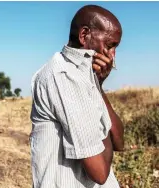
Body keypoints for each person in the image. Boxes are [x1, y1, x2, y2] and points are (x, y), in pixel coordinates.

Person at [30, 5, 124, 188]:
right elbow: (100, 172)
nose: (112, 55)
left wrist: (98, 86)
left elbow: (119, 142)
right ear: (84, 35)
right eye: (110, 45)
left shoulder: (84, 77)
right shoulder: (64, 76)